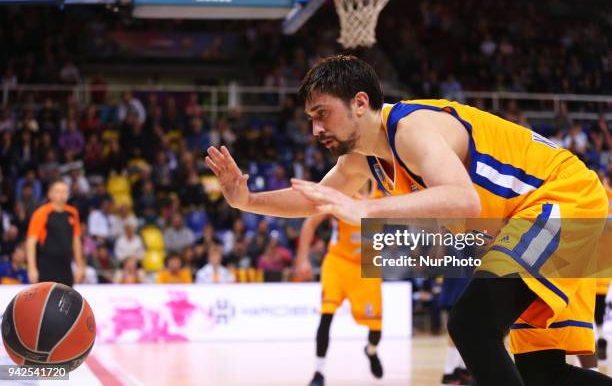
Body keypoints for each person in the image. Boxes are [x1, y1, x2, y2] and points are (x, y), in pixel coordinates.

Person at [206, 55, 612, 386]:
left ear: (360, 103)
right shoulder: (361, 159)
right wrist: (246, 199)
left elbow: (462, 199)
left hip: (561, 199)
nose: (316, 129)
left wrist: (366, 209)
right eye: (312, 118)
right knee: (542, 374)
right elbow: (315, 199)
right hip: (535, 217)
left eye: (322, 114)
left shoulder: (410, 127)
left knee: (471, 325)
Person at [295, 182, 383, 386]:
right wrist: (302, 259)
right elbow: (309, 224)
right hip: (337, 262)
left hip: (367, 267)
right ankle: (318, 373)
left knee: (376, 330)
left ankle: (371, 351)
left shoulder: (384, 189)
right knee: (326, 315)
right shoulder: (341, 191)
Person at [26, 180, 85, 286]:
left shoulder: (72, 213)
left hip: (66, 264)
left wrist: (79, 265)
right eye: (58, 191)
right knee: (46, 298)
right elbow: (31, 242)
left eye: (65, 191)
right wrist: (32, 268)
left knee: (67, 298)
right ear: (50, 194)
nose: (62, 194)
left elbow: (76, 241)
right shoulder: (41, 213)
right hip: (46, 264)